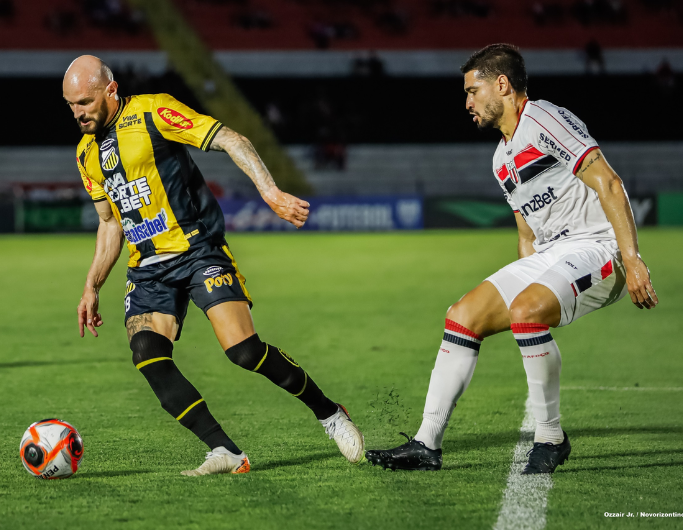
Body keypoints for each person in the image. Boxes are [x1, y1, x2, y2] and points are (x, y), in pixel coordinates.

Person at [63, 55, 364, 476]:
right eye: (70, 105)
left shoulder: (152, 111)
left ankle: (330, 413)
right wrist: (92, 284)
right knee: (147, 354)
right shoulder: (85, 154)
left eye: (83, 102)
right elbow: (110, 222)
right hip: (147, 269)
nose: (77, 113)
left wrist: (271, 192)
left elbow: (230, 139)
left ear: (110, 91)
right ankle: (226, 451)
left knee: (243, 351)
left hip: (197, 249)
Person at [365, 44, 658, 474]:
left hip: (600, 247)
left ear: (501, 85)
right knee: (462, 316)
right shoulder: (501, 158)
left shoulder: (543, 118)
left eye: (472, 90)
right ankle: (426, 443)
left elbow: (609, 182)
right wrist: (530, 279)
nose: (467, 102)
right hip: (554, 253)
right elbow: (527, 236)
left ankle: (550, 437)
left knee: (526, 311)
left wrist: (632, 260)